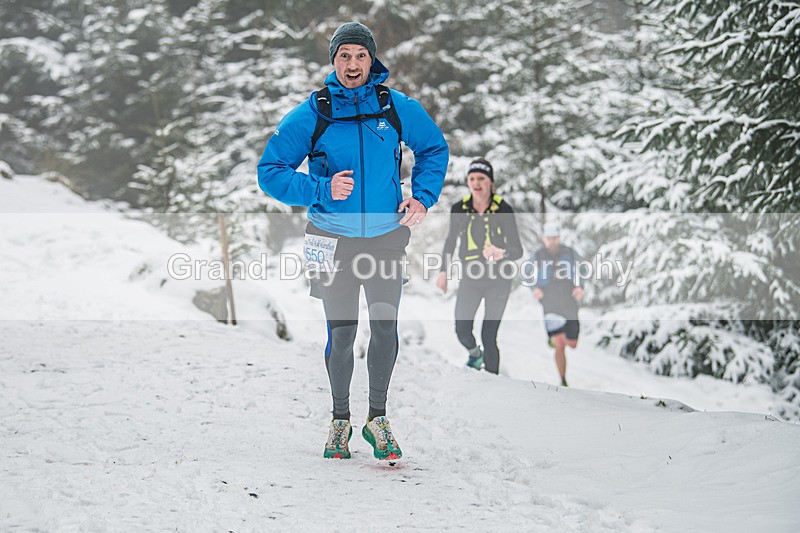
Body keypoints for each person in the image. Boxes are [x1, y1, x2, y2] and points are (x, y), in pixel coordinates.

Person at [257, 22, 448, 461]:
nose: (352, 64)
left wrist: (422, 197)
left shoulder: (393, 107)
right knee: (341, 336)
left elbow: (434, 148)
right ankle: (340, 420)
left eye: (360, 56)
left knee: (385, 329)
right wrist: (321, 189)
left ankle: (377, 419)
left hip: (384, 240)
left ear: (371, 60)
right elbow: (271, 171)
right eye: (344, 55)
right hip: (331, 241)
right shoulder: (315, 113)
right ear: (333, 61)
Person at [436, 159, 522, 374]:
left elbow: (517, 249)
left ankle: (493, 383)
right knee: (462, 330)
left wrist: (502, 253)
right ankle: (475, 354)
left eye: (481, 178)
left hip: (499, 280)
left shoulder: (503, 209)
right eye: (472, 178)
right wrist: (443, 272)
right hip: (471, 278)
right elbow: (450, 242)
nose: (476, 183)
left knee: (489, 336)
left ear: (490, 182)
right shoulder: (460, 209)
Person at [528, 223, 584, 387]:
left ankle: (559, 337)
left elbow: (581, 269)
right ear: (543, 239)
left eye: (555, 238)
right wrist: (534, 288)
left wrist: (580, 286)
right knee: (560, 345)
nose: (552, 242)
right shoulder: (538, 254)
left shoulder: (569, 252)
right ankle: (563, 378)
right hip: (549, 299)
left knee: (572, 344)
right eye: (549, 238)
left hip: (568, 298)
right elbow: (527, 272)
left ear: (559, 238)